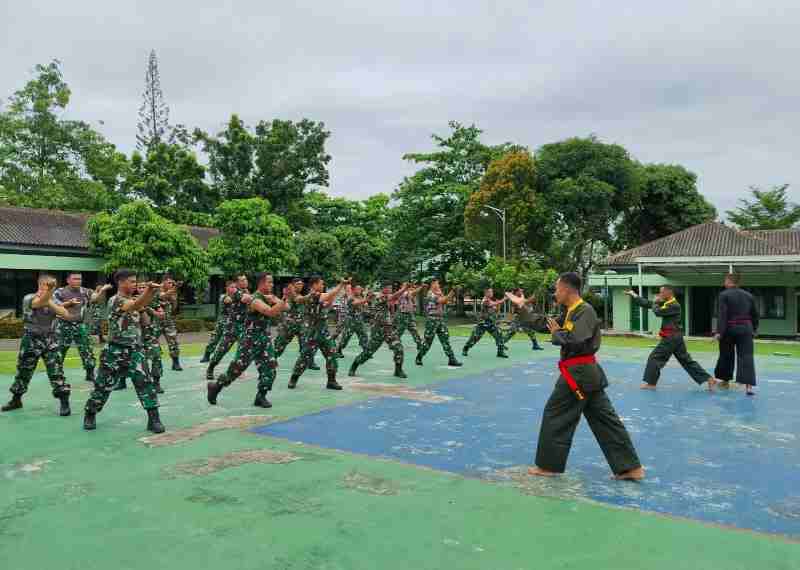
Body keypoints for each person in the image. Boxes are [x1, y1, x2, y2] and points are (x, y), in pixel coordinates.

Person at [507, 273, 644, 480]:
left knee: (556, 414)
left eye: (557, 289)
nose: (555, 293)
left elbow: (576, 340)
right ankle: (630, 468)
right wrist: (522, 307)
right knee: (605, 419)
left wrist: (557, 335)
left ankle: (549, 466)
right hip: (585, 375)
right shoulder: (570, 312)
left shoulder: (585, 311)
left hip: (579, 373)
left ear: (566, 289)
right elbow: (546, 324)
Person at [83, 270, 165, 433]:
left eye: (136, 281)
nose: (135, 284)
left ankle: (154, 419)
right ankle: (90, 413)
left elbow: (145, 320)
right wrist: (149, 291)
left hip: (135, 350)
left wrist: (147, 300)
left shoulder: (133, 300)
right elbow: (133, 306)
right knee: (102, 386)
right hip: (115, 350)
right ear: (121, 282)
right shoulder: (115, 300)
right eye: (132, 281)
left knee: (146, 384)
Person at [207, 273, 289, 408]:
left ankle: (260, 396)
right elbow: (270, 312)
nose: (272, 285)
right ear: (261, 283)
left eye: (272, 282)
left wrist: (279, 299)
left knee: (270, 369)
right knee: (236, 370)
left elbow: (287, 308)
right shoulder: (254, 299)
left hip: (265, 339)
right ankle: (215, 387)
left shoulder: (268, 297)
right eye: (269, 282)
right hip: (250, 340)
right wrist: (284, 298)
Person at [2, 274, 73, 416]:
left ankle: (64, 402)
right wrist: (50, 297)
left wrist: (51, 298)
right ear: (40, 285)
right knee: (24, 371)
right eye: (47, 286)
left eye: (51, 286)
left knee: (56, 372)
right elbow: (38, 303)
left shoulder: (54, 299)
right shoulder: (28, 298)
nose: (49, 289)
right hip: (31, 340)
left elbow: (65, 314)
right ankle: (16, 399)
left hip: (50, 341)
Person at [626, 286, 718, 391]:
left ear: (669, 292)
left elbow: (658, 312)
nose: (659, 295)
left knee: (655, 358)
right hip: (675, 337)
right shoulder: (667, 304)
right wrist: (634, 295)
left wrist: (656, 302)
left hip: (671, 338)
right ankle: (709, 379)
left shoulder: (674, 305)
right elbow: (649, 304)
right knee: (686, 361)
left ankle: (651, 384)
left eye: (661, 293)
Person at [288, 276, 350, 390]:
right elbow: (327, 296)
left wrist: (330, 300)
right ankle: (294, 378)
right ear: (314, 285)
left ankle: (331, 381)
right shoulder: (312, 295)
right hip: (312, 332)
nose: (323, 286)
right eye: (321, 284)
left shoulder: (318, 295)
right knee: (305, 357)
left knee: (332, 355)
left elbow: (326, 304)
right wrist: (341, 285)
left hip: (323, 330)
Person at [54, 273, 112, 383]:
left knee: (87, 350)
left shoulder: (85, 291)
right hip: (63, 325)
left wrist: (102, 290)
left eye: (80, 279)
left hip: (80, 325)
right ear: (68, 280)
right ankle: (57, 374)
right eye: (75, 279)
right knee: (59, 351)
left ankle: (90, 373)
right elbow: (55, 305)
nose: (78, 281)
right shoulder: (60, 292)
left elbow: (95, 298)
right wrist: (68, 303)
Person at [349, 281, 409, 379]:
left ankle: (398, 370)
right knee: (368, 352)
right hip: (378, 330)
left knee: (398, 348)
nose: (390, 290)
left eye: (391, 288)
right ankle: (354, 366)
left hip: (388, 330)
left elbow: (393, 301)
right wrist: (404, 289)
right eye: (389, 288)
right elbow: (393, 297)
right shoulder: (378, 296)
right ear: (383, 288)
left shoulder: (386, 298)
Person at [714, 274, 759, 396]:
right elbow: (755, 314)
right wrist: (754, 329)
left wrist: (719, 332)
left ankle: (725, 381)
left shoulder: (724, 295)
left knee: (726, 354)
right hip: (746, 328)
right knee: (746, 356)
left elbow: (722, 315)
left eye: (725, 281)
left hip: (729, 328)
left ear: (729, 281)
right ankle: (748, 387)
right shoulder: (749, 295)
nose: (724, 283)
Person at [206, 274, 250, 380]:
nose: (245, 281)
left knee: (244, 349)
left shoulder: (246, 292)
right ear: (237, 283)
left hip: (243, 326)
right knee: (222, 350)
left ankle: (237, 369)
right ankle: (211, 368)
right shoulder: (234, 291)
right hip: (232, 327)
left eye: (246, 279)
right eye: (242, 280)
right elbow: (244, 299)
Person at [274, 278, 320, 371]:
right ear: (293, 285)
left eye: (301, 284)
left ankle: (309, 362)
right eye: (298, 284)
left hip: (301, 324)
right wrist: (310, 294)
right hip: (289, 325)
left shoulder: (300, 294)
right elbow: (299, 300)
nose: (300, 285)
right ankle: (272, 359)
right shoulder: (291, 293)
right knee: (280, 344)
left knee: (307, 343)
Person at [415, 279, 462, 367]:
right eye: (437, 283)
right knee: (428, 342)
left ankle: (451, 359)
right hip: (432, 320)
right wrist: (452, 292)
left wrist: (450, 294)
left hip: (440, 319)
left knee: (445, 340)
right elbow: (442, 301)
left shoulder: (438, 293)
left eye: (438, 283)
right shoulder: (430, 294)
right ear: (432, 284)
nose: (438, 285)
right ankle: (419, 357)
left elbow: (446, 301)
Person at [462, 287, 508, 358]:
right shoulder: (485, 300)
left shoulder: (490, 300)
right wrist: (504, 299)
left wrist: (498, 306)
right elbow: (494, 304)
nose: (491, 293)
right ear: (486, 293)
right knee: (475, 338)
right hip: (483, 323)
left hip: (491, 323)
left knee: (499, 335)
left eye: (492, 292)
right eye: (490, 292)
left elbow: (495, 309)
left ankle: (500, 352)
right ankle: (465, 349)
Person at [201, 280, 237, 363]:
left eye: (235, 287)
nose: (234, 289)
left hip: (233, 322)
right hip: (223, 321)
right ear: (227, 288)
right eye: (232, 287)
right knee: (215, 339)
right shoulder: (223, 296)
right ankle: (207, 355)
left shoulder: (237, 296)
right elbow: (229, 300)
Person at [335, 284, 371, 356]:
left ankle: (365, 350)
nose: (359, 291)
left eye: (360, 290)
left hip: (359, 320)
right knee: (346, 337)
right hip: (351, 321)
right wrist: (365, 300)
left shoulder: (360, 297)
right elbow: (355, 303)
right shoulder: (350, 297)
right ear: (354, 290)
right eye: (357, 289)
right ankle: (338, 350)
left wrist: (365, 302)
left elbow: (364, 306)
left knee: (364, 335)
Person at [157, 275, 183, 371]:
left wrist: (174, 297)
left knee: (173, 342)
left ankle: (175, 363)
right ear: (163, 282)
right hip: (156, 321)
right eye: (169, 282)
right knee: (151, 343)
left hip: (168, 321)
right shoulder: (157, 289)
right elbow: (163, 296)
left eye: (172, 283)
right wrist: (175, 288)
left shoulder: (172, 291)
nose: (171, 284)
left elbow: (174, 307)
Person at [394, 282, 423, 351]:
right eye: (405, 284)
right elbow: (413, 293)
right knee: (399, 331)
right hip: (403, 315)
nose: (407, 285)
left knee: (414, 330)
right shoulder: (401, 292)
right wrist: (420, 287)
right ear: (401, 286)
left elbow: (413, 294)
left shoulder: (407, 292)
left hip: (409, 315)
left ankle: (419, 344)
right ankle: (395, 344)